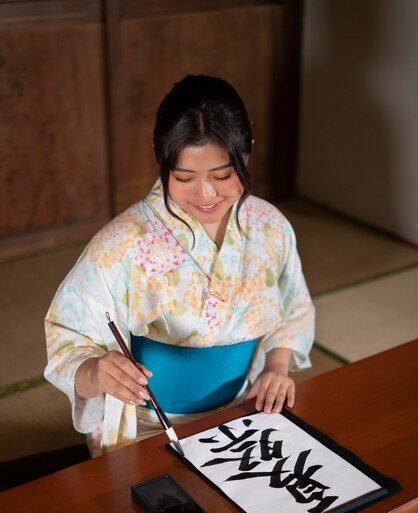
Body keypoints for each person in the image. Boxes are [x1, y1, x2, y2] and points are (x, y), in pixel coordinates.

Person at [44, 74, 315, 457]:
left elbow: (294, 305)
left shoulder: (270, 227)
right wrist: (95, 371)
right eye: (184, 177)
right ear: (162, 159)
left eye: (222, 175)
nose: (206, 195)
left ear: (247, 147)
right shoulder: (121, 242)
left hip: (243, 408)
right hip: (147, 424)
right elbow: (67, 335)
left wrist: (277, 366)